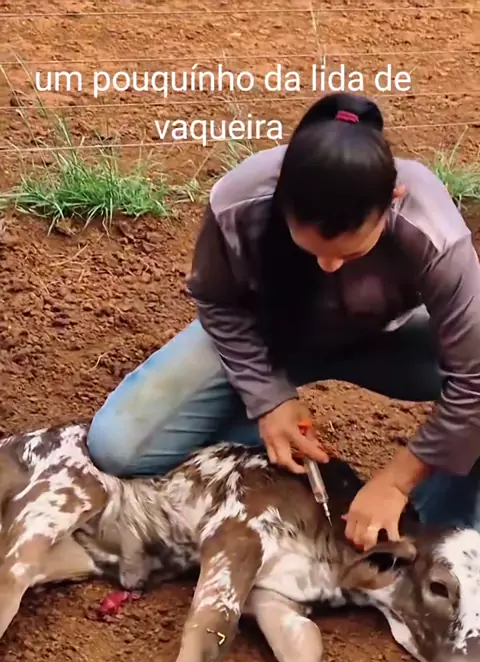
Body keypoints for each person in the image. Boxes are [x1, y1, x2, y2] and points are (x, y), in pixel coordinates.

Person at [87, 92, 480, 551]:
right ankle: (254, 446)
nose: (329, 266)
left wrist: (397, 480)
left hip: (391, 341)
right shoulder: (240, 201)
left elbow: (474, 379)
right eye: (311, 248)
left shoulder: (431, 229)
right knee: (118, 446)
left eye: (352, 252)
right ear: (281, 198)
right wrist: (268, 397)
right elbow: (218, 302)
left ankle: (440, 532)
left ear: (391, 200)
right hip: (269, 338)